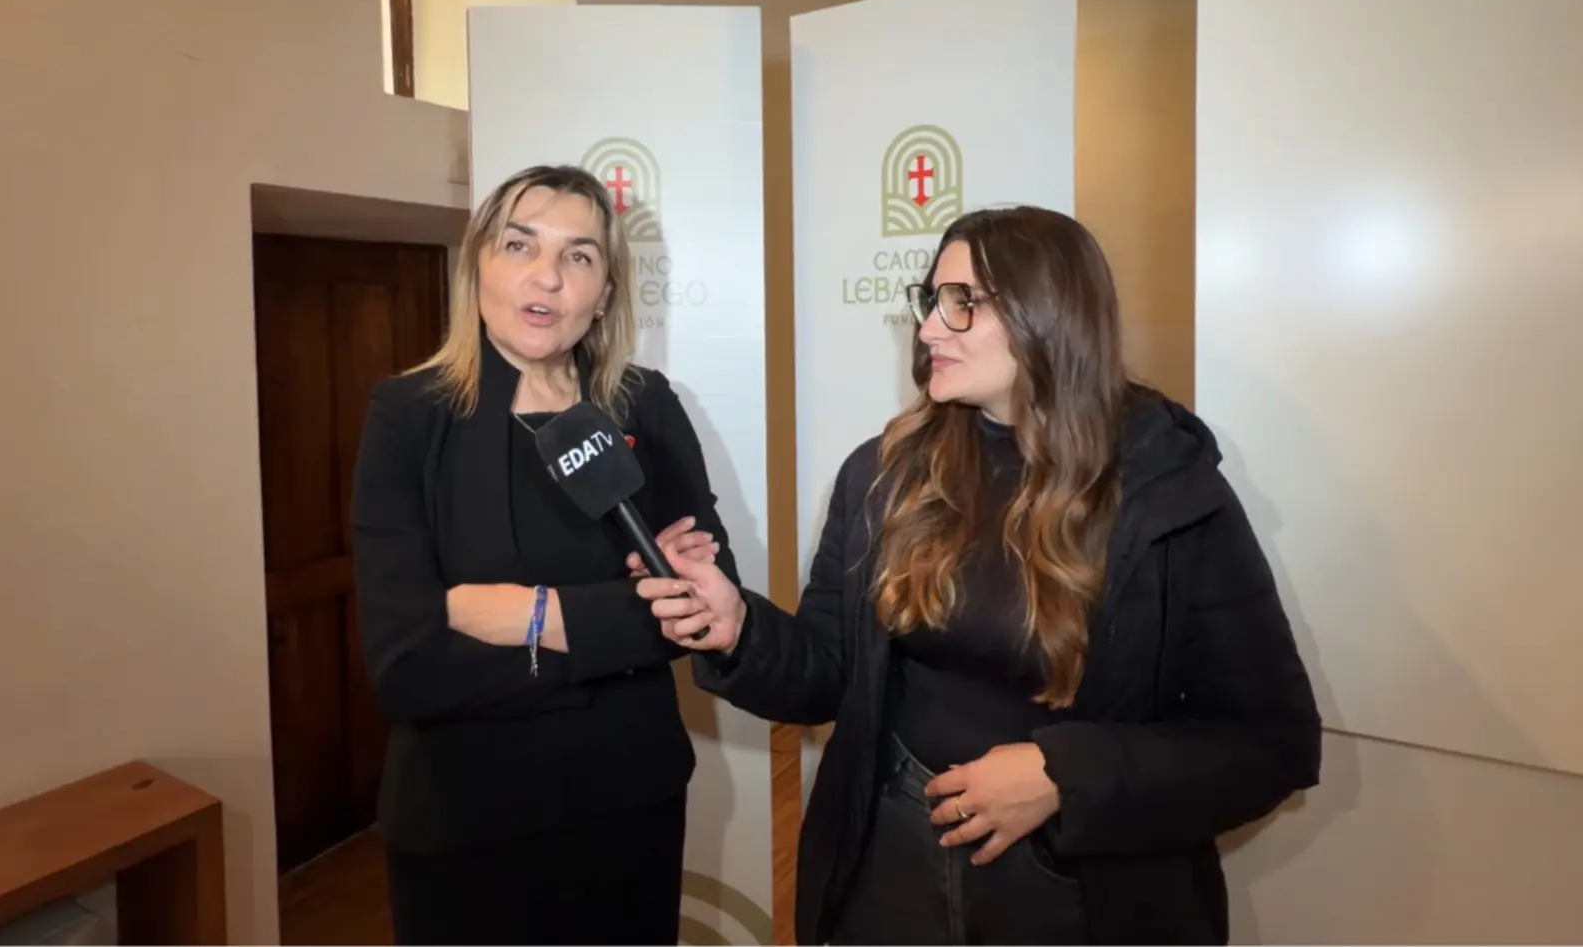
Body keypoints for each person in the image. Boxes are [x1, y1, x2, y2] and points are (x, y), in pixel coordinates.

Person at [638, 206, 1323, 945]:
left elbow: (1270, 743)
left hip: (1080, 894)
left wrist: (1064, 777)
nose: (930, 328)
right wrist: (738, 628)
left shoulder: (1167, 493)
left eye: (962, 302)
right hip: (891, 867)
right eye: (932, 300)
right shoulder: (883, 475)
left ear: (1049, 315)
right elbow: (828, 674)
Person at [350, 164, 739, 945]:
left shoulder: (646, 405)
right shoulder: (408, 418)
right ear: (479, 265)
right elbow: (409, 666)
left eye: (578, 255)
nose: (547, 276)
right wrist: (624, 625)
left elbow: (704, 604)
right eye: (519, 244)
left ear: (606, 291)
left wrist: (530, 615)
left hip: (629, 809)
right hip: (462, 826)